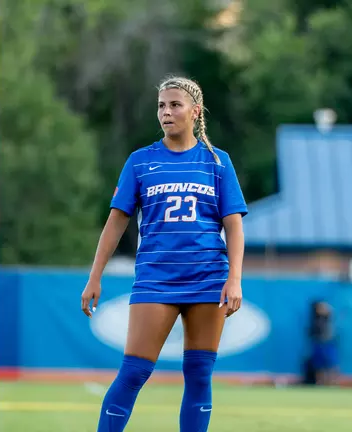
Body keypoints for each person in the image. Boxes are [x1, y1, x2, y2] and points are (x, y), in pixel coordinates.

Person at [81, 76, 247, 432]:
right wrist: (95, 276)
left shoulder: (218, 162)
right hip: (156, 280)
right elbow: (115, 223)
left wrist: (234, 279)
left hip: (208, 278)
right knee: (134, 371)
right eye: (161, 105)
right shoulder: (140, 162)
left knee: (200, 375)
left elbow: (233, 225)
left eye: (175, 105)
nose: (166, 112)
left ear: (195, 111)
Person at [309, 301, 338, 385]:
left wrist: (325, 307)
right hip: (318, 343)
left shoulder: (329, 317)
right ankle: (320, 382)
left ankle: (332, 382)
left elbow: (330, 310)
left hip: (329, 343)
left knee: (332, 363)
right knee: (319, 364)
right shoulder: (315, 318)